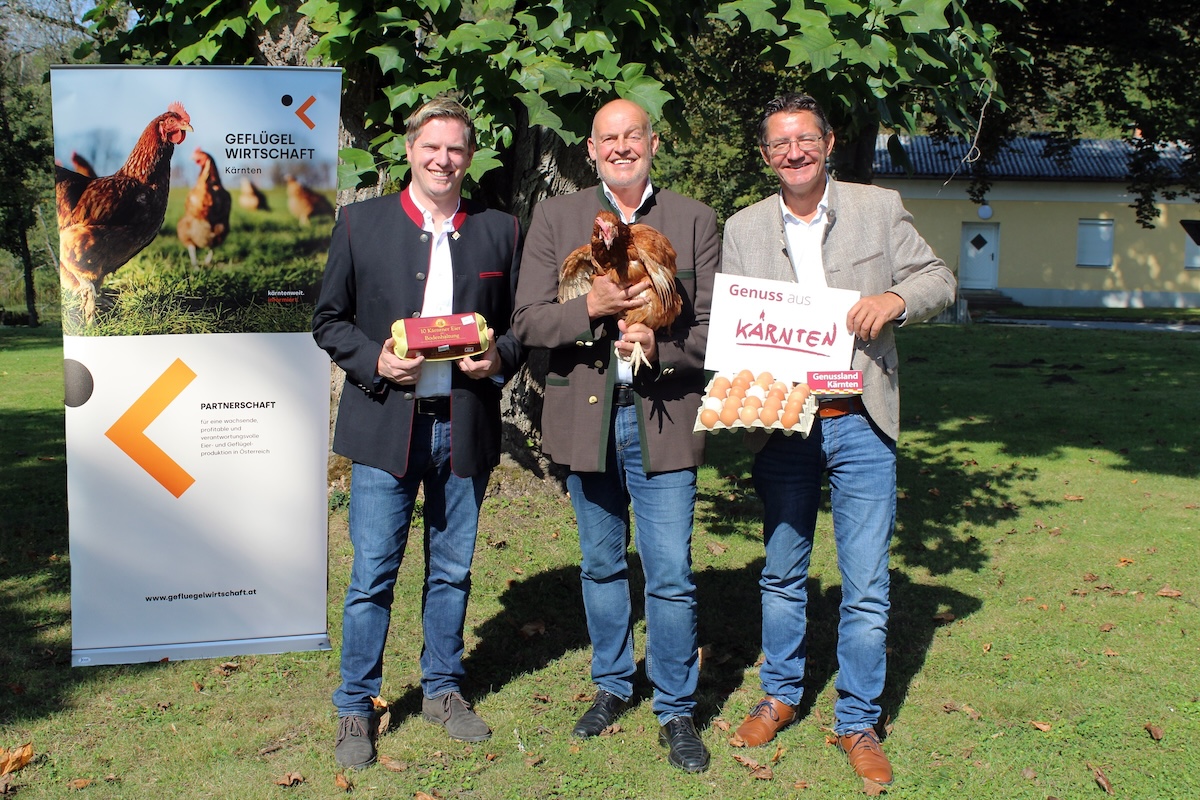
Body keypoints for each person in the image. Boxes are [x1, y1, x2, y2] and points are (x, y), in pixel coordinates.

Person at [721, 93, 956, 786]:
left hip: (861, 419)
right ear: (766, 156)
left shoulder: (877, 209)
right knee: (783, 571)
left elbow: (938, 277)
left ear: (826, 143)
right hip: (786, 421)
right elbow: (735, 323)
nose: (793, 152)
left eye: (805, 139)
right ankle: (782, 695)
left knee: (866, 584)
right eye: (779, 144)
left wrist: (897, 301)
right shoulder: (745, 227)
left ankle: (858, 719)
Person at [312, 97, 523, 770]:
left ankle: (442, 689)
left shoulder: (500, 230)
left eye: (456, 149)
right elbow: (328, 320)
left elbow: (522, 326)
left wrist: (500, 359)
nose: (443, 159)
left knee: (453, 571)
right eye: (431, 147)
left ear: (469, 155)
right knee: (373, 572)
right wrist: (375, 359)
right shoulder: (360, 223)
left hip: (463, 426)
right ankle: (355, 705)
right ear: (410, 150)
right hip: (385, 428)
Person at [511, 98, 720, 773]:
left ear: (653, 144)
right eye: (609, 138)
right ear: (592, 148)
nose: (622, 146)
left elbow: (716, 329)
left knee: (669, 572)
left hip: (663, 416)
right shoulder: (556, 217)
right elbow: (527, 323)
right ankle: (610, 684)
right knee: (601, 563)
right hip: (587, 417)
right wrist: (587, 310)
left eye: (633, 135)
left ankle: (676, 707)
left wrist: (664, 347)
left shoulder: (692, 220)